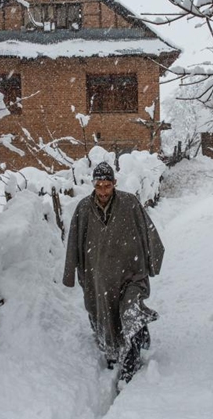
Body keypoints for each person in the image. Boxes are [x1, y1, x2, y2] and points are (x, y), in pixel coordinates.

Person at [63, 161, 164, 384]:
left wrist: (153, 259)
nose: (103, 191)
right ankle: (112, 353)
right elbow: (74, 244)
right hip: (98, 278)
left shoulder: (129, 203)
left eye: (107, 185)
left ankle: (131, 361)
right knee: (105, 316)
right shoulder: (83, 209)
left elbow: (148, 232)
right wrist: (71, 273)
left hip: (131, 274)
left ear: (114, 183)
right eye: (99, 186)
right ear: (93, 185)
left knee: (130, 311)